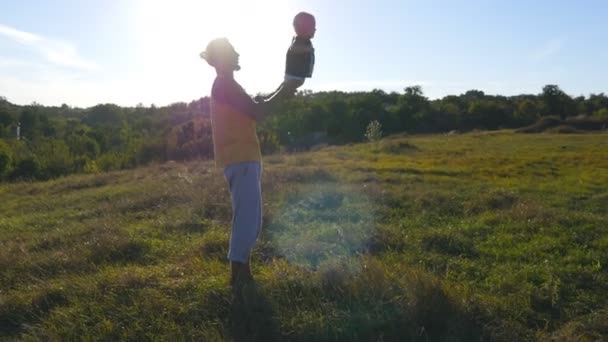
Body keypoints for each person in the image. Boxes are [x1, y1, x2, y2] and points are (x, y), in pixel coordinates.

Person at [200, 38, 294, 287]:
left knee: (250, 217)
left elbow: (254, 106)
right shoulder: (225, 85)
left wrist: (283, 90)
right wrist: (286, 90)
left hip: (243, 158)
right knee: (247, 219)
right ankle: (238, 277)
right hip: (240, 158)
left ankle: (243, 273)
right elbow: (257, 111)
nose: (237, 54)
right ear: (222, 58)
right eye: (232, 52)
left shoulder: (226, 84)